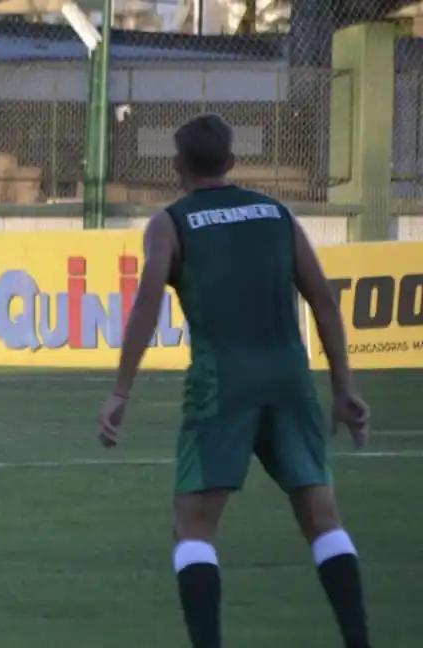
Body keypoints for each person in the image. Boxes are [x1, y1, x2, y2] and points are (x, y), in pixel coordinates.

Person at [97, 113, 372, 648]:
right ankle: (358, 640)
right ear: (231, 162)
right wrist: (344, 386)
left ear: (177, 164)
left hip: (223, 383)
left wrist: (120, 391)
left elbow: (147, 304)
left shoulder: (171, 223)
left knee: (193, 528)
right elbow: (322, 298)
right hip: (290, 380)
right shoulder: (277, 214)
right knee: (323, 520)